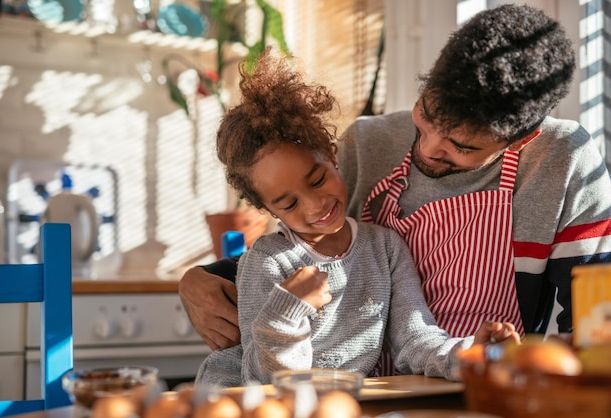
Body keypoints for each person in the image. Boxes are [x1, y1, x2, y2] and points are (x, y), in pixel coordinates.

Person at [179, 4, 611, 355]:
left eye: (461, 147)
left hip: (482, 385)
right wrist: (198, 278)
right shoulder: (367, 144)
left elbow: (596, 324)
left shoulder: (564, 159)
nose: (428, 148)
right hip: (366, 392)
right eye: (425, 116)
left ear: (521, 139)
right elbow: (297, 252)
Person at [193, 47, 519, 387]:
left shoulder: (385, 248)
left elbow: (415, 341)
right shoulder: (267, 262)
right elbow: (265, 382)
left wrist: (468, 356)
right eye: (289, 204)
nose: (314, 205)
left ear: (332, 155)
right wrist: (286, 311)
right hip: (235, 397)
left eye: (318, 180)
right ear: (267, 209)